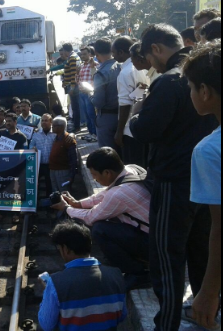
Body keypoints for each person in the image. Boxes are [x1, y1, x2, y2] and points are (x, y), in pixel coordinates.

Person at [130, 24, 219, 331]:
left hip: (174, 182)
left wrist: (137, 111)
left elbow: (145, 129)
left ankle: (166, 324)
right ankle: (207, 315)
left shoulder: (169, 81)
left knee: (167, 257)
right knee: (200, 252)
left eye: (148, 56)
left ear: (156, 48)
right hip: (204, 183)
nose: (149, 64)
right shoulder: (200, 73)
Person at [52, 147, 151, 290]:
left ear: (107, 172)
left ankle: (138, 273)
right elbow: (103, 195)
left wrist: (66, 208)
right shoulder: (130, 170)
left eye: (95, 175)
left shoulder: (119, 194)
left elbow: (90, 217)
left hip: (152, 244)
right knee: (108, 221)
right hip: (156, 234)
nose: (94, 179)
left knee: (100, 229)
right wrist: (77, 203)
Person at [183, 41, 221, 331]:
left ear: (205, 91)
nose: (191, 93)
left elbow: (219, 228)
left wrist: (208, 292)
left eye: (191, 87)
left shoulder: (209, 150)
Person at [39, 222, 127, 331]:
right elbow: (122, 315)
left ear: (66, 249)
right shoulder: (116, 275)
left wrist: (48, 290)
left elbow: (47, 325)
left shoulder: (55, 283)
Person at [112, 36, 149, 168]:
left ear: (121, 52)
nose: (113, 56)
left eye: (114, 52)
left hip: (130, 129)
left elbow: (125, 103)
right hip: (144, 125)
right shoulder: (145, 66)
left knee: (133, 167)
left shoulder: (125, 73)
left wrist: (119, 131)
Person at [91, 38, 122, 156]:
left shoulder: (101, 73)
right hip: (124, 115)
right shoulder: (121, 66)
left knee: (108, 155)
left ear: (96, 54)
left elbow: (98, 102)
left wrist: (90, 95)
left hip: (107, 118)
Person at [48, 117, 77, 193]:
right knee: (56, 193)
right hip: (53, 170)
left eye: (53, 126)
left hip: (63, 171)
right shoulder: (55, 137)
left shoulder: (68, 140)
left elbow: (73, 160)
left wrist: (71, 176)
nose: (52, 127)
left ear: (61, 127)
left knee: (64, 194)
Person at [29, 114, 55, 198]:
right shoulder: (36, 134)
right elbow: (30, 145)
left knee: (50, 186)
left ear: (51, 122)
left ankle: (50, 205)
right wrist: (33, 148)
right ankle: (35, 204)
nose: (44, 122)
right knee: (35, 185)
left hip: (50, 165)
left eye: (46, 120)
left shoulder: (55, 133)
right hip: (38, 164)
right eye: (42, 120)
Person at [77, 46, 99, 141]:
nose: (83, 56)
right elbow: (79, 79)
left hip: (90, 93)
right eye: (81, 54)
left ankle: (95, 134)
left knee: (91, 114)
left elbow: (96, 78)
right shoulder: (82, 66)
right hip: (82, 93)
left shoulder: (94, 65)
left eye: (85, 54)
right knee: (86, 115)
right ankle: (90, 133)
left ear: (90, 54)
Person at [62, 43, 82, 132]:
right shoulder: (73, 57)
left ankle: (77, 126)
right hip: (72, 85)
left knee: (75, 107)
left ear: (66, 51)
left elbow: (74, 74)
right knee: (75, 106)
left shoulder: (72, 58)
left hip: (73, 85)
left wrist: (72, 88)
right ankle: (76, 124)